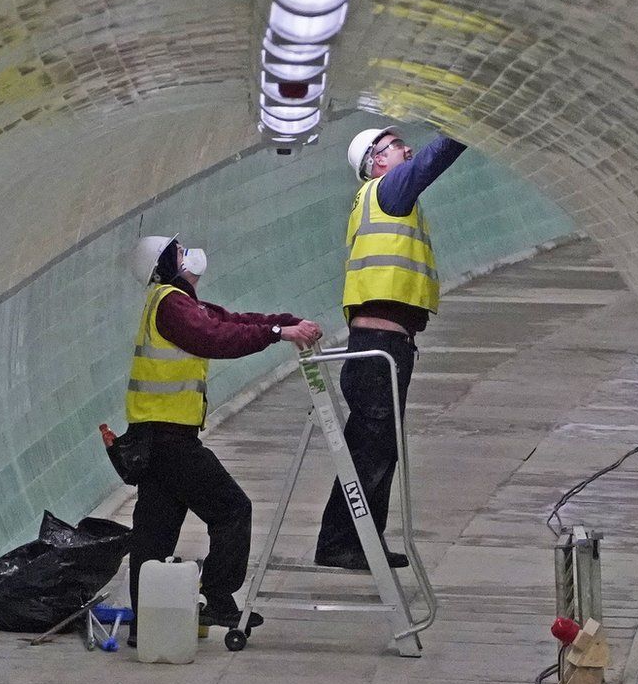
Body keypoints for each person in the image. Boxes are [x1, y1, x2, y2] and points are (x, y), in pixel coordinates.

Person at [124, 234, 322, 636]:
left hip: (155, 439)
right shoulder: (172, 305)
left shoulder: (177, 303)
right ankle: (217, 598)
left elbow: (231, 321)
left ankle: (147, 624)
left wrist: (283, 323)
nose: (188, 256)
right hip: (169, 440)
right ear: (165, 266)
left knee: (154, 532)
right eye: (179, 254)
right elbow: (216, 338)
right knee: (232, 509)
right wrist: (277, 335)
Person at [314, 125, 469, 570]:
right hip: (377, 350)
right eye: (396, 146)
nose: (406, 149)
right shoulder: (388, 190)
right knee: (373, 450)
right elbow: (432, 161)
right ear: (376, 161)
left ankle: (354, 540)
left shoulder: (377, 201)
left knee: (374, 448)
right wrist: (468, 122)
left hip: (381, 348)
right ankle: (346, 543)